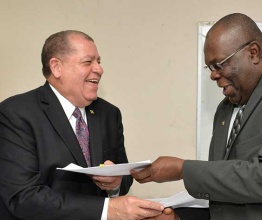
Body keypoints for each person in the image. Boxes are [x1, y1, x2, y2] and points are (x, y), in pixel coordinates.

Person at [131, 13, 262, 220]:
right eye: (210, 68)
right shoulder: (225, 109)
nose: (213, 75)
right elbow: (226, 194)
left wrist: (183, 169)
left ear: (253, 53)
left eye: (219, 65)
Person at [0, 30, 165, 220]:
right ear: (56, 67)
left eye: (99, 62)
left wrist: (115, 183)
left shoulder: (109, 114)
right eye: (88, 62)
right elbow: (23, 198)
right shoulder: (16, 113)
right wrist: (107, 210)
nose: (99, 69)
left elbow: (124, 178)